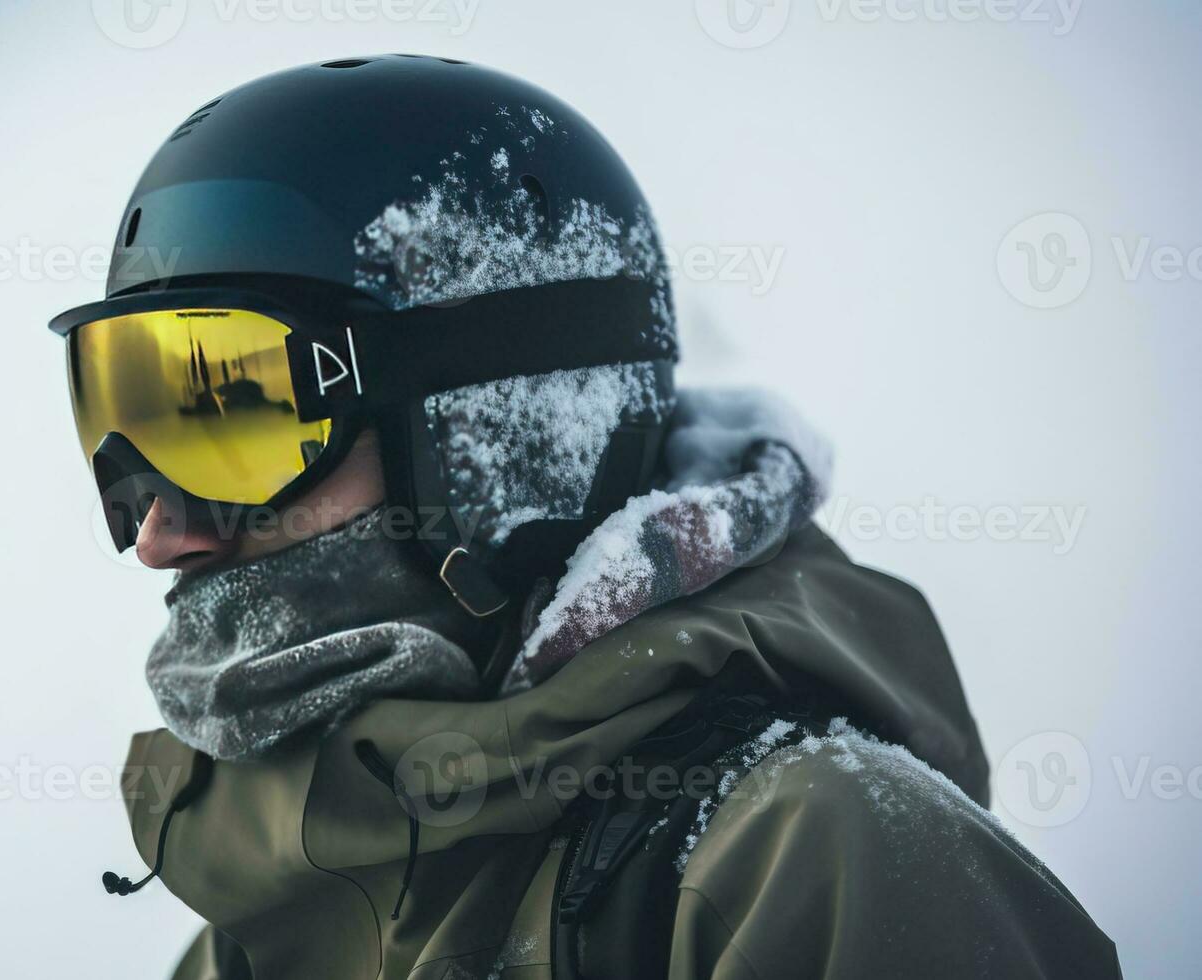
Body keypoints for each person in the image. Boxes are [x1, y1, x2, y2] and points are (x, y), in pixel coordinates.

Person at [55, 56, 1118, 979]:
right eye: (130, 415)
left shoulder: (803, 861)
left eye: (234, 421)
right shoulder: (274, 903)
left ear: (502, 449)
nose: (161, 531)